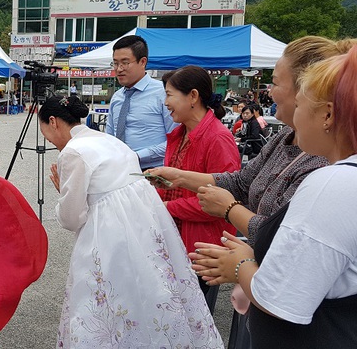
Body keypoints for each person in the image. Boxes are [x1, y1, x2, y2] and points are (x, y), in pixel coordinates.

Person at [147, 36, 338, 348]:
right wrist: (179, 177)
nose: (269, 93)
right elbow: (239, 182)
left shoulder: (325, 165)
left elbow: (287, 242)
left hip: (266, 288)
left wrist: (229, 213)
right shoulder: (284, 138)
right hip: (250, 278)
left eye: (276, 83)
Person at [191, 47, 357, 348]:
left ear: (328, 114)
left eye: (301, 104)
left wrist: (240, 263)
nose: (293, 115)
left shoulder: (332, 182)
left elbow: (282, 299)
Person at [39, 95, 222, 348]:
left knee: (107, 305)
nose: (50, 140)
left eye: (46, 133)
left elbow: (71, 218)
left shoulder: (73, 152)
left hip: (106, 237)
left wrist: (63, 196)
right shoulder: (110, 141)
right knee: (145, 296)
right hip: (143, 231)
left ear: (53, 122)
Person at [157, 65, 240, 311]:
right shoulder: (179, 134)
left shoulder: (217, 138)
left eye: (170, 95)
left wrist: (167, 207)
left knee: (192, 318)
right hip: (174, 241)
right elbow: (175, 186)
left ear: (193, 96)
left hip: (200, 249)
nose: (165, 102)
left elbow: (222, 202)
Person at [106, 35, 176, 169]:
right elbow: (110, 136)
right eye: (115, 63)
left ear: (142, 62)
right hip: (120, 171)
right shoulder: (117, 97)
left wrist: (137, 156)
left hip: (154, 172)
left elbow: (176, 140)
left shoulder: (163, 93)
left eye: (125, 63)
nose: (119, 69)